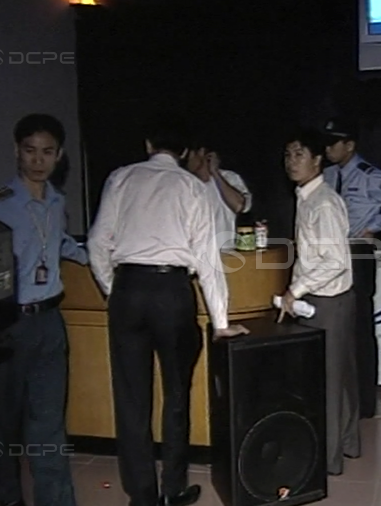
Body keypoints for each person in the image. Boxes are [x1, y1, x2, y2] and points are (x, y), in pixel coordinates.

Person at [87, 113, 248, 506]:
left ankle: (142, 496)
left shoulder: (121, 178)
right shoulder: (191, 186)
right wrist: (221, 322)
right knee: (176, 394)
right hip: (172, 292)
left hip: (128, 289)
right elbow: (207, 259)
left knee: (131, 399)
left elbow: (97, 243)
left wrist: (114, 289)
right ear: (186, 151)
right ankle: (173, 488)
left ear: (148, 144)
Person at [0, 113, 87, 506]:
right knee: (1, 425)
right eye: (30, 151)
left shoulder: (57, 201)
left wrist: (100, 257)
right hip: (8, 326)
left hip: (49, 322)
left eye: (47, 152)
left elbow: (59, 244)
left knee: (49, 425)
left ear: (59, 155)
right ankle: (10, 498)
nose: (38, 161)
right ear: (17, 151)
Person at [277, 128, 360, 477]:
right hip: (325, 298)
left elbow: (335, 261)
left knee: (327, 382)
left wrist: (295, 290)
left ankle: (327, 459)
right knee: (339, 378)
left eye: (299, 154)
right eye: (287, 155)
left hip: (328, 301)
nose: (291, 162)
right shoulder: (307, 197)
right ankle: (347, 443)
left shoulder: (323, 202)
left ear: (317, 159)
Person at [322, 117, 381, 419]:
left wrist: (374, 227)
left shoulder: (367, 176)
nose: (328, 149)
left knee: (360, 327)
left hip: (357, 251)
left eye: (334, 143)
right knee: (336, 327)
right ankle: (340, 399)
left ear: (349, 145)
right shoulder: (326, 175)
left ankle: (363, 403)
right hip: (331, 252)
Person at [185, 142, 252, 250]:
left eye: (190, 154)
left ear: (201, 152)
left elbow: (239, 205)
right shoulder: (185, 182)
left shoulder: (229, 177)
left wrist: (215, 173)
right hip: (194, 253)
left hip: (223, 251)